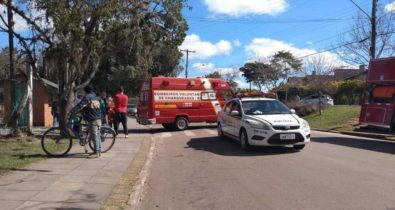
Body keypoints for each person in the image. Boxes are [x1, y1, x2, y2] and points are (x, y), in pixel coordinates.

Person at [70, 85, 102, 158]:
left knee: (94, 135)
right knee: (97, 135)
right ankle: (98, 150)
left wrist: (72, 111)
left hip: (93, 119)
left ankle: (96, 153)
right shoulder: (95, 96)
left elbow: (80, 105)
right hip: (97, 118)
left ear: (86, 91)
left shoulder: (87, 97)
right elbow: (87, 107)